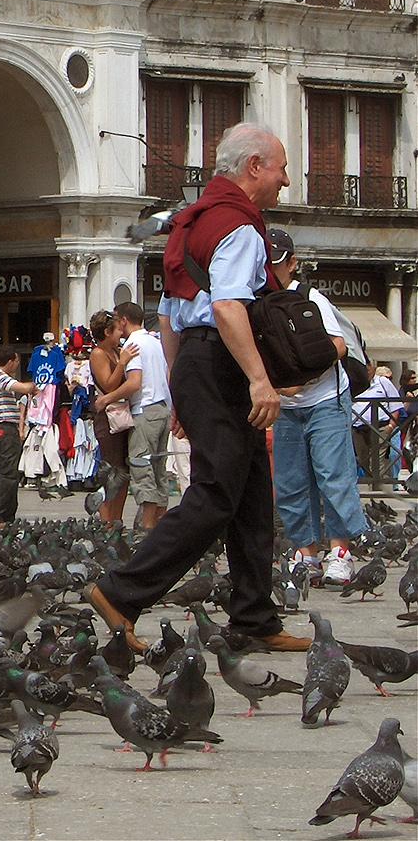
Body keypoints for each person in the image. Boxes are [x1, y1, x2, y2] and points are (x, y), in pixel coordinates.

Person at [86, 123, 309, 652]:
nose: (284, 180)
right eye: (279, 168)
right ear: (254, 166)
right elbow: (229, 307)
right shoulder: (239, 227)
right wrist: (259, 379)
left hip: (197, 362)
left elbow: (168, 318)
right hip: (223, 360)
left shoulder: (189, 224)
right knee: (214, 493)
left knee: (253, 493)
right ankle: (122, 591)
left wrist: (183, 387)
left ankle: (255, 618)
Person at [264, 228, 367, 588]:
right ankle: (305, 552)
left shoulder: (311, 298)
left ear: (291, 263)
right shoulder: (257, 300)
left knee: (332, 475)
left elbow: (338, 345)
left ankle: (340, 552)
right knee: (290, 480)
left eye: (277, 262)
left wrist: (302, 379)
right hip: (288, 405)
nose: (271, 270)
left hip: (324, 398)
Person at [92, 302, 171, 531]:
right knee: (140, 471)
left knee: (140, 470)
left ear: (124, 321)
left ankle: (146, 528)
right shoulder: (154, 342)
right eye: (115, 329)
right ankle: (122, 525)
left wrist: (107, 398)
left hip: (142, 412)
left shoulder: (132, 345)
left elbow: (134, 383)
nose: (120, 332)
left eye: (120, 326)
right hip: (152, 411)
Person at [87, 309, 136, 524]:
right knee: (112, 471)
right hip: (107, 420)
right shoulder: (98, 354)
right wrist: (123, 362)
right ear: (107, 332)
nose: (121, 333)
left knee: (123, 472)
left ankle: (117, 520)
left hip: (121, 416)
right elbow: (108, 384)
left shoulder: (116, 351)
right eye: (118, 330)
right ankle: (107, 522)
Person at [0, 347, 36, 526]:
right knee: (6, 474)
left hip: (1, 428)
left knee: (9, 472)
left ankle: (6, 515)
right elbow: (23, 387)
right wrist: (33, 386)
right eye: (17, 361)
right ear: (10, 361)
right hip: (3, 428)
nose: (17, 365)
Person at [351, 361, 401, 480]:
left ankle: (381, 489)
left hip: (380, 426)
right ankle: (372, 488)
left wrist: (391, 426)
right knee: (364, 460)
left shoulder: (383, 382)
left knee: (377, 460)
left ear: (372, 368)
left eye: (368, 370)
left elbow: (395, 404)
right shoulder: (353, 382)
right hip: (358, 428)